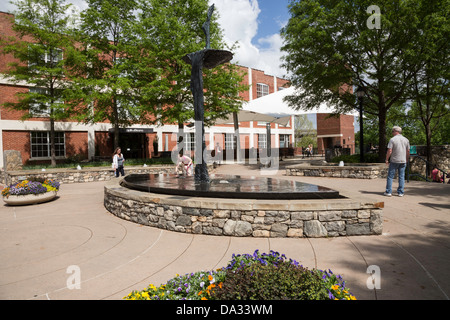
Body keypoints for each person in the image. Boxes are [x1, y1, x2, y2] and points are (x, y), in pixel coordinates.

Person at [385, 126, 410, 197]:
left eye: (392, 131)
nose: (392, 133)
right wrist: (407, 159)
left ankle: (388, 192)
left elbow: (389, 150)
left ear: (396, 131)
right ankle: (400, 192)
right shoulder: (406, 140)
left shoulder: (392, 140)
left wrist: (387, 159)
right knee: (401, 176)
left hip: (394, 160)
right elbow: (408, 151)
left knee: (390, 176)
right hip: (403, 160)